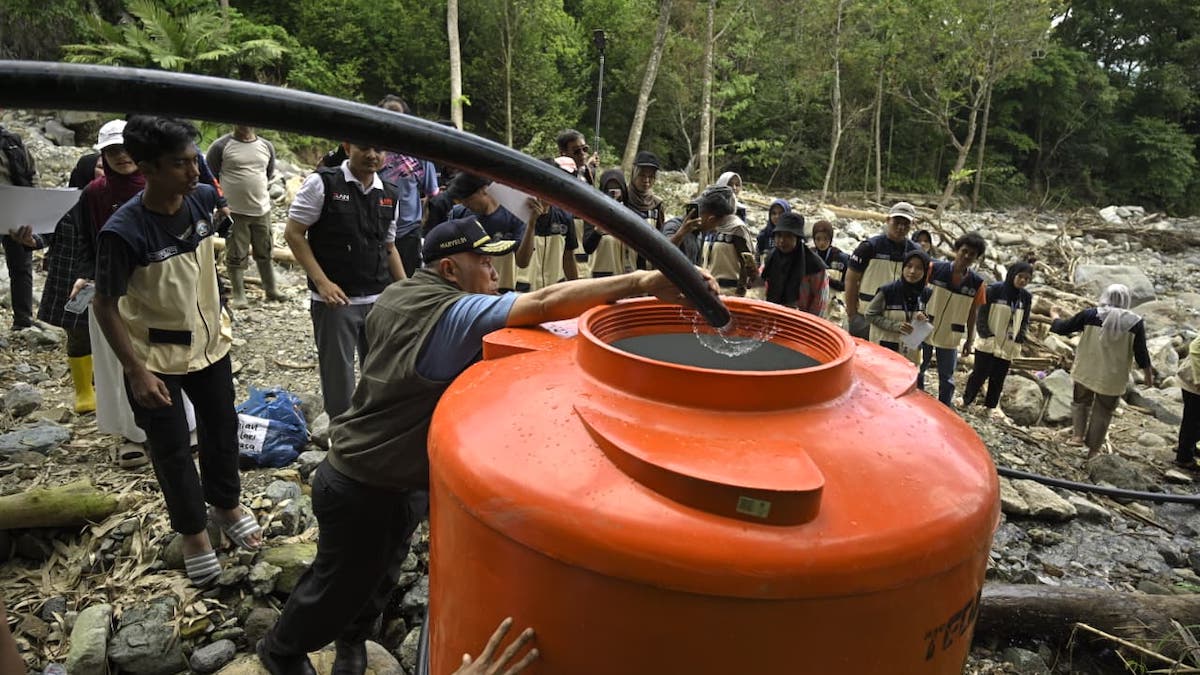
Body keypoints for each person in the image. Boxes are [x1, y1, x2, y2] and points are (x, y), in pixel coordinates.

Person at [257, 216, 717, 675]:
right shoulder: (452, 315)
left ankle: (353, 639)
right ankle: (282, 651)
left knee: (383, 570)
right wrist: (643, 282)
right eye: (484, 260)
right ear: (449, 271)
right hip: (365, 481)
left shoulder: (399, 293)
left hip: (394, 474)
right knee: (337, 584)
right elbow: (545, 300)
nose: (496, 271)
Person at [90, 116, 261, 587]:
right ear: (147, 168)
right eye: (180, 164)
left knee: (222, 427)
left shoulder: (202, 200)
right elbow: (105, 306)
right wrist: (136, 371)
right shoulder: (124, 231)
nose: (195, 171)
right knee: (170, 449)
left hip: (210, 346)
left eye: (195, 159)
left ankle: (226, 506)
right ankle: (193, 535)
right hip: (154, 359)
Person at [286, 140, 406, 420]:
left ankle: (368, 427)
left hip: (378, 298)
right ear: (347, 146)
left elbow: (389, 247)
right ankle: (340, 433)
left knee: (377, 370)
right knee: (338, 375)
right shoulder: (323, 184)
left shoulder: (389, 193)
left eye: (379, 149)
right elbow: (293, 233)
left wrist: (404, 289)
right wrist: (322, 282)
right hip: (336, 302)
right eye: (365, 147)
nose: (373, 154)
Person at [1050, 284, 1154, 458]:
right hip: (1112, 377)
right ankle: (1093, 450)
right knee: (1103, 411)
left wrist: (1054, 315)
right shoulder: (1135, 323)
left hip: (1087, 370)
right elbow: (1141, 353)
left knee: (1080, 402)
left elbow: (1063, 328)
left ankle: (1077, 436)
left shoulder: (1091, 314)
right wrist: (1148, 377)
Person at [36, 150, 104, 413]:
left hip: (104, 274)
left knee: (111, 329)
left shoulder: (113, 198)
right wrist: (30, 240)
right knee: (78, 333)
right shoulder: (63, 203)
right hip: (68, 275)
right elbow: (42, 234)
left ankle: (103, 382)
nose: (104, 170)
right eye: (99, 167)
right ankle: (84, 392)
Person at [206, 124, 283, 307]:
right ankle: (240, 295)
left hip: (262, 209)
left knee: (265, 250)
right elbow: (210, 176)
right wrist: (219, 204)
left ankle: (271, 289)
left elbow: (268, 172)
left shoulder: (266, 146)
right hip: (234, 211)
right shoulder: (220, 146)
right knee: (235, 254)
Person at [919, 232, 987, 406]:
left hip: (951, 331)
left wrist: (970, 340)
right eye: (964, 251)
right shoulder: (934, 269)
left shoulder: (977, 283)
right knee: (916, 365)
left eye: (972, 254)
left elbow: (973, 313)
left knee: (947, 376)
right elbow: (917, 292)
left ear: (976, 258)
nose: (966, 256)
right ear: (956, 250)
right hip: (923, 324)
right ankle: (914, 400)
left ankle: (943, 408)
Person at [962, 261, 1034, 420]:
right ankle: (966, 401)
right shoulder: (995, 290)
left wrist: (1020, 337)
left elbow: (1025, 319)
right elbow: (982, 314)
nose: (1022, 281)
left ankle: (989, 408)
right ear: (1012, 274)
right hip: (989, 341)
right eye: (1020, 276)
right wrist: (986, 334)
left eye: (1027, 279)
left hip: (1008, 344)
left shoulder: (1026, 297)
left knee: (998, 378)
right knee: (979, 374)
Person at [843, 202, 921, 339]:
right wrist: (852, 314)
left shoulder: (915, 251)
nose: (901, 227)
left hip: (898, 322)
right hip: (866, 316)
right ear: (887, 220)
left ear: (912, 225)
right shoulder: (869, 247)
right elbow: (851, 279)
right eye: (897, 222)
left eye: (906, 223)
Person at [446, 172, 525, 291]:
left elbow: (522, 261)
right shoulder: (460, 214)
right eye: (463, 202)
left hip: (504, 286)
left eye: (468, 200)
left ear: (483, 190)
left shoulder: (512, 215)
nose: (466, 205)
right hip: (471, 288)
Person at [0, 118, 40, 331]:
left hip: (14, 211)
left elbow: (31, 173)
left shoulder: (12, 141)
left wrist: (32, 208)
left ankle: (23, 320)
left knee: (21, 265)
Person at [515, 165, 579, 291]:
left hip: (555, 292)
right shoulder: (519, 215)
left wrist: (577, 289)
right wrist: (531, 224)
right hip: (526, 293)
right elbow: (522, 262)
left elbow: (569, 257)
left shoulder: (564, 216)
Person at [864, 249, 932, 366]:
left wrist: (923, 317)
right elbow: (869, 314)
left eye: (919, 268)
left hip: (910, 352)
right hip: (885, 349)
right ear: (903, 267)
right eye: (909, 266)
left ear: (925, 272)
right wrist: (896, 326)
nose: (912, 271)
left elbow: (930, 319)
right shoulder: (888, 290)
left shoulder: (926, 293)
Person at [759, 212, 828, 316]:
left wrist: (809, 324)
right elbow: (761, 281)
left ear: (797, 238)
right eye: (779, 235)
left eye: (788, 236)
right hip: (772, 314)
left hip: (801, 320)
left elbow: (820, 301)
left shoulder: (814, 266)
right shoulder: (771, 258)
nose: (782, 240)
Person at [699, 184, 756, 296]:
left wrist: (741, 290)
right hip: (709, 289)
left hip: (730, 291)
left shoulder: (737, 228)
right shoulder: (710, 224)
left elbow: (748, 262)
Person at [584, 169, 636, 277]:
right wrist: (599, 227)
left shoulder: (631, 214)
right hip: (601, 278)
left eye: (617, 187)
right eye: (609, 188)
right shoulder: (592, 214)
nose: (613, 192)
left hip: (627, 277)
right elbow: (588, 248)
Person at [810, 219, 849, 319]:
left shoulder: (841, 258)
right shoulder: (809, 256)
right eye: (818, 239)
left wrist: (827, 280)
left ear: (831, 239)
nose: (822, 243)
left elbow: (846, 286)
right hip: (812, 303)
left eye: (825, 239)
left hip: (834, 306)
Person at [1175, 335, 1200, 471]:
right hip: (1193, 381)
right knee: (1192, 420)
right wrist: (1199, 379)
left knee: (1194, 420)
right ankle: (1184, 457)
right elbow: (1195, 348)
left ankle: (1187, 446)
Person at [627, 151, 665, 233]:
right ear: (634, 174)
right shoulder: (622, 198)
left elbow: (661, 236)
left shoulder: (657, 204)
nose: (646, 180)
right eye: (642, 175)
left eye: (651, 176)